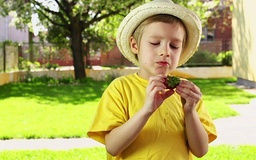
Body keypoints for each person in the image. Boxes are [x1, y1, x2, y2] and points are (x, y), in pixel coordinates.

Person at [87, 0, 217, 159]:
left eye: (174, 46)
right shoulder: (120, 88)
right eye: (155, 43)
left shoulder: (187, 94)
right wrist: (147, 109)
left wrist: (190, 111)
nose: (165, 51)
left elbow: (200, 151)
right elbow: (113, 147)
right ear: (135, 45)